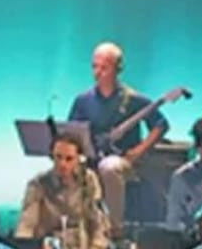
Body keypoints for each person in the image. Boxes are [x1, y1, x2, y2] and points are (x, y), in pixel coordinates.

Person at [69, 42, 170, 230]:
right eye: (95, 66)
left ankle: (114, 228)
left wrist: (139, 150)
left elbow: (161, 125)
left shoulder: (134, 99)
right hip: (91, 158)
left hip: (123, 162)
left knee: (109, 167)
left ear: (118, 69)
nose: (98, 72)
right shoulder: (83, 100)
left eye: (104, 68)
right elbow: (72, 132)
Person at [18, 133, 111, 249]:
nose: (62, 164)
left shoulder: (88, 181)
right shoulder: (38, 184)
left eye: (69, 159)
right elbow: (26, 225)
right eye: (58, 157)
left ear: (79, 159)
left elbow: (99, 225)